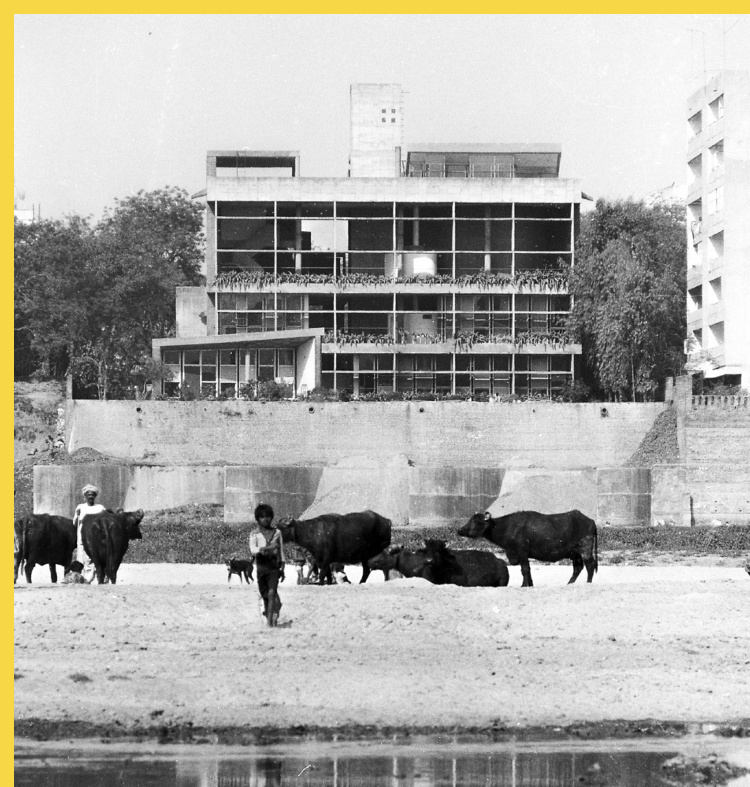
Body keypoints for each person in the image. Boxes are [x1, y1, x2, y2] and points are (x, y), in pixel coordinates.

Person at [248, 504, 285, 626]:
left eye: (268, 516)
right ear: (258, 519)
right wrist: (266, 548)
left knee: (271, 592)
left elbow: (281, 551)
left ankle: (269, 623)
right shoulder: (254, 534)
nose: (266, 519)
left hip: (273, 567)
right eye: (262, 517)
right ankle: (273, 611)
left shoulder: (277, 533)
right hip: (261, 568)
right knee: (265, 596)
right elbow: (253, 549)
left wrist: (282, 567)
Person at [73, 484, 106, 584]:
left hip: (95, 539)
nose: (90, 496)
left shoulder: (100, 508)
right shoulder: (80, 507)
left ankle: (90, 578)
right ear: (85, 496)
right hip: (81, 538)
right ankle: (81, 579)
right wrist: (77, 515)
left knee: (91, 559)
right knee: (81, 558)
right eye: (88, 495)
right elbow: (75, 523)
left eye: (92, 495)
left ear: (95, 496)